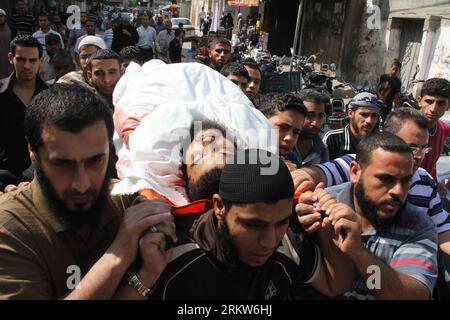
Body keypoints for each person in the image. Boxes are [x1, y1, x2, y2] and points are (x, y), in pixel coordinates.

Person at [0, 83, 176, 299]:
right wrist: (120, 251)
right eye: (62, 164)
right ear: (33, 155)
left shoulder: (126, 200)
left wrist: (146, 274)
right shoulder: (9, 228)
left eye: (95, 161)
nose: (82, 184)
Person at [120, 148, 360, 299]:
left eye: (281, 222)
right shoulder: (171, 248)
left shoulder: (288, 242)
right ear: (219, 207)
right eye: (252, 225)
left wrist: (326, 229)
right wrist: (145, 277)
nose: (269, 241)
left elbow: (335, 284)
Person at [297, 132, 438, 299]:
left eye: (406, 181)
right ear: (355, 171)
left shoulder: (417, 227)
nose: (398, 191)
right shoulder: (318, 206)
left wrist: (358, 253)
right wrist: (297, 227)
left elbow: (412, 295)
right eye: (386, 179)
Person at [0, 35, 46, 186]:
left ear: (41, 60)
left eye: (32, 60)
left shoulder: (51, 96)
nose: (26, 66)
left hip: (43, 177)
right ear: (10, 58)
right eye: (21, 59)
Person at [322, 92, 382, 159]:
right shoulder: (332, 139)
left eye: (374, 115)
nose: (369, 120)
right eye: (364, 114)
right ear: (350, 113)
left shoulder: (381, 142)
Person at [418, 78, 450, 182]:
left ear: (447, 106)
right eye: (429, 101)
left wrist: (435, 182)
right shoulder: (403, 126)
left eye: (441, 104)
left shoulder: (444, 129)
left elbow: (431, 163)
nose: (433, 109)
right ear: (419, 101)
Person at [260, 93, 306, 163]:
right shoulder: (240, 155)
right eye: (283, 127)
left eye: (296, 132)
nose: (290, 138)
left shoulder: (292, 160)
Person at [290, 89, 330, 167]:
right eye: (309, 115)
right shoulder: (281, 146)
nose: (315, 123)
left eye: (320, 117)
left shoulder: (322, 150)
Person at [0, 8, 13, 79]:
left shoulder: (12, 29)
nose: (0, 18)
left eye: (1, 16)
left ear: (5, 17)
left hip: (9, 60)